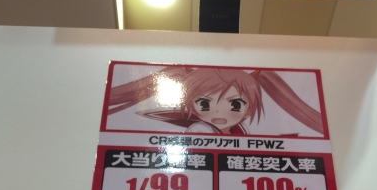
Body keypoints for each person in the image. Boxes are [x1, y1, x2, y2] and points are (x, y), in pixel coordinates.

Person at [107, 66, 324, 136]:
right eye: (205, 104)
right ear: (191, 105)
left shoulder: (240, 130)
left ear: (249, 110)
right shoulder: (200, 129)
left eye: (235, 105)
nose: (219, 113)